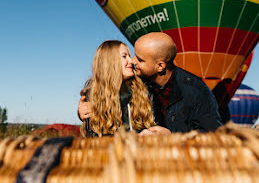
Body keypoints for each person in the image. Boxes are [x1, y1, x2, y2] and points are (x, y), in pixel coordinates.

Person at [78, 32, 222, 133]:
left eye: (139, 59)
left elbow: (214, 135)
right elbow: (107, 96)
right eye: (129, 55)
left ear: (160, 66)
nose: (133, 61)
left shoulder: (194, 90)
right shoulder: (138, 83)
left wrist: (172, 137)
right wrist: (83, 111)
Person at [79, 40, 169, 137]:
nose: (131, 61)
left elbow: (159, 124)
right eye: (124, 56)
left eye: (129, 56)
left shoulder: (145, 89)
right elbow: (93, 137)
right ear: (109, 61)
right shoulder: (93, 94)